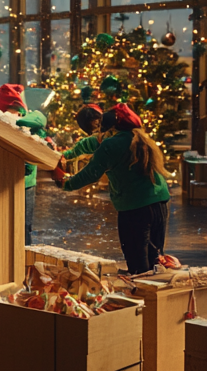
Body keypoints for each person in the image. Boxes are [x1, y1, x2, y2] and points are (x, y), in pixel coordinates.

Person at [62, 104, 170, 274]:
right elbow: (93, 144)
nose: (98, 134)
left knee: (137, 263)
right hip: (159, 203)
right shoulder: (137, 137)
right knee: (155, 258)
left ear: (109, 128)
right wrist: (68, 155)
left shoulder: (110, 145)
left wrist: (65, 183)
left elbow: (91, 173)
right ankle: (157, 295)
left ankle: (143, 296)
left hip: (135, 207)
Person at [0, 84, 39, 239]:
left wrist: (29, 164)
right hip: (3, 182)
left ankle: (23, 257)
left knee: (24, 226)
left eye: (17, 114)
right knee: (3, 224)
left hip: (25, 182)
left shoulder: (28, 124)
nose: (14, 117)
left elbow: (36, 145)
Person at [54, 105, 103, 183]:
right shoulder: (112, 131)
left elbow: (74, 152)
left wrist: (60, 155)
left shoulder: (91, 141)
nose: (98, 123)